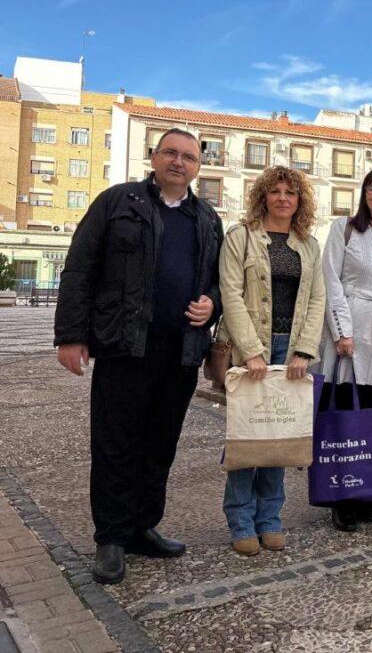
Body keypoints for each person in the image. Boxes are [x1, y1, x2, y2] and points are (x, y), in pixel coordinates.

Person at [54, 128, 222, 584]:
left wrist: (211, 303)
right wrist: (70, 336)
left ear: (198, 167)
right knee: (115, 445)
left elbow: (218, 279)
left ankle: (142, 527)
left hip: (180, 352)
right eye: (171, 152)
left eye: (189, 157)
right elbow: (80, 268)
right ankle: (111, 538)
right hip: (125, 347)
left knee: (160, 445)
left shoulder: (206, 218)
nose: (179, 162)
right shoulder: (118, 203)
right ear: (154, 157)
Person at [218, 166, 325, 555]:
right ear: (263, 196)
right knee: (248, 439)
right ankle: (241, 522)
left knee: (279, 437)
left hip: (290, 350)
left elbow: (317, 298)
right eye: (276, 191)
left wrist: (304, 350)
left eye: (290, 193)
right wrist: (250, 350)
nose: (283, 198)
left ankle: (270, 519)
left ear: (299, 201)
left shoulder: (308, 244)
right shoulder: (241, 237)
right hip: (251, 350)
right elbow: (230, 293)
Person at [318, 168, 372, 531]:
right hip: (350, 329)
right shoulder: (344, 229)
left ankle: (367, 492)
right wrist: (342, 331)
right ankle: (342, 498)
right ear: (364, 192)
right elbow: (331, 281)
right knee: (345, 415)